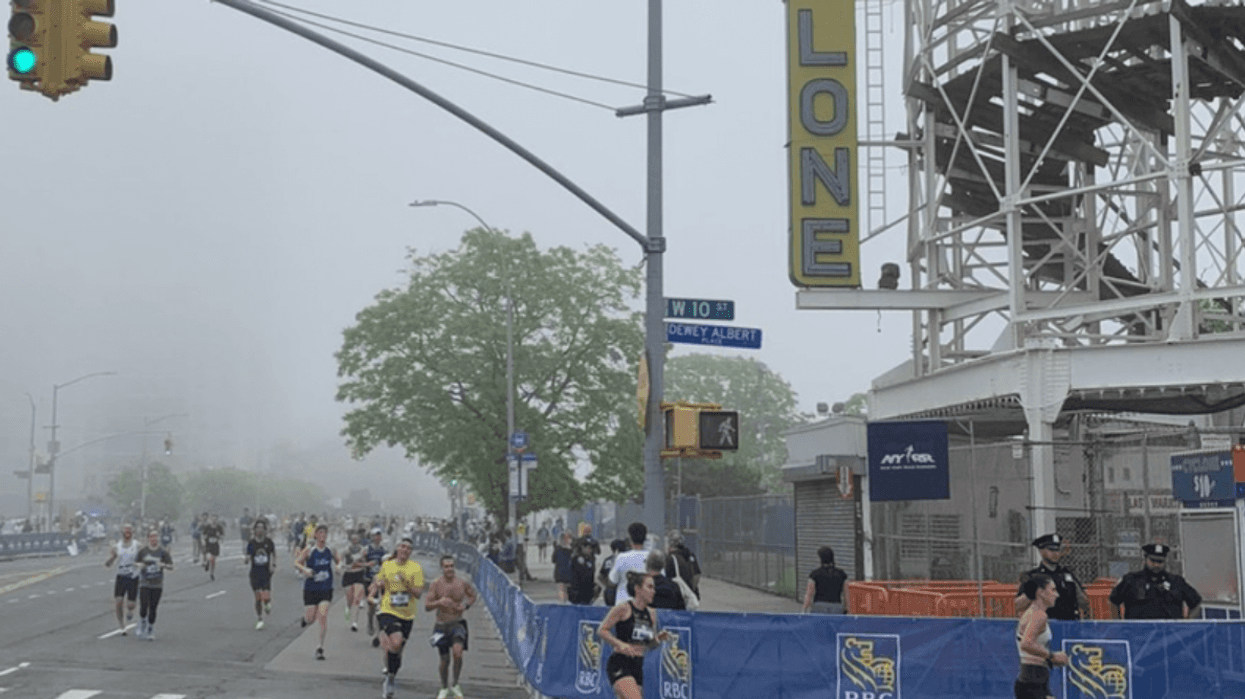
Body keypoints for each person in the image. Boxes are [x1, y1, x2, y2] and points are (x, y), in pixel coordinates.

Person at [598, 572, 673, 699]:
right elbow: (602, 630)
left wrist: (657, 639)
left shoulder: (652, 613)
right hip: (620, 662)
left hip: (637, 666)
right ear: (637, 589)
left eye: (654, 588)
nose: (653, 591)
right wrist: (620, 644)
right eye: (649, 587)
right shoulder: (624, 608)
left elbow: (648, 644)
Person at [370, 537, 425, 699]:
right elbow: (378, 580)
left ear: (410, 552)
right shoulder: (388, 565)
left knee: (398, 650)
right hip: (388, 610)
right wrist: (378, 584)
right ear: (397, 549)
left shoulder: (415, 568)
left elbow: (418, 593)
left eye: (408, 548)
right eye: (402, 546)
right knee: (396, 641)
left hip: (407, 614)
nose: (405, 550)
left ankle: (391, 675)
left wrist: (406, 584)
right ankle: (389, 678)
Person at [426, 554, 478, 699]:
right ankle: (444, 687)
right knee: (444, 660)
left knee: (458, 653)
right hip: (441, 625)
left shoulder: (461, 582)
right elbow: (427, 606)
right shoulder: (436, 584)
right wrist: (439, 602)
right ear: (442, 568)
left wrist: (466, 605)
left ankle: (455, 684)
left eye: (451, 566)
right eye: (446, 566)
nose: (449, 569)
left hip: (458, 623)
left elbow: (472, 596)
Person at [1109, 543, 1202, 619]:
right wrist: (1119, 626)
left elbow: (1196, 602)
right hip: (1139, 636)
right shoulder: (1131, 580)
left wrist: (1187, 627)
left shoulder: (1176, 582)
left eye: (1160, 562)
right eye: (1152, 561)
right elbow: (1113, 601)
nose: (1156, 565)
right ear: (1145, 560)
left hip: (1170, 636)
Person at [1014, 574, 1069, 699]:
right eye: (1053, 590)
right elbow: (1026, 643)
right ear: (1041, 592)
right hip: (1033, 682)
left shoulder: (1033, 613)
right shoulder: (1038, 615)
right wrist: (1053, 656)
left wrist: (1050, 659)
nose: (1057, 595)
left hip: (1033, 681)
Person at [1015, 533, 1089, 620]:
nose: (1055, 553)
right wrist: (1031, 592)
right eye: (1051, 550)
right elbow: (1017, 606)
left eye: (1057, 550)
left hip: (1070, 625)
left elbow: (1083, 601)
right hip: (1045, 626)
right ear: (1041, 551)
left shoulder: (1067, 574)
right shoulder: (1032, 576)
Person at [294, 523, 340, 660]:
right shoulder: (310, 550)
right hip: (311, 588)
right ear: (316, 535)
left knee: (323, 615)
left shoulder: (330, 549)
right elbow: (297, 562)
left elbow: (339, 560)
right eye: (320, 533)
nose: (323, 535)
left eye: (325, 533)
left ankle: (319, 647)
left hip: (325, 588)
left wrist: (339, 567)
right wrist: (305, 570)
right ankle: (304, 618)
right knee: (310, 618)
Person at [134, 528, 174, 640]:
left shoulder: (163, 552)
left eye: (156, 536)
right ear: (148, 539)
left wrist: (163, 565)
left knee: (153, 608)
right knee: (143, 607)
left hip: (157, 584)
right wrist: (140, 565)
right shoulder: (143, 551)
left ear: (158, 538)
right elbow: (136, 562)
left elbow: (171, 566)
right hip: (144, 583)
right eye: (151, 536)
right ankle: (142, 622)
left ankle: (150, 628)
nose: (154, 538)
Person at [103, 523, 141, 635]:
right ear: (123, 533)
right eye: (125, 531)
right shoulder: (117, 546)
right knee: (118, 601)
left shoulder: (137, 545)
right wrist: (109, 561)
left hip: (133, 576)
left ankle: (130, 610)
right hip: (121, 576)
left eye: (129, 531)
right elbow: (112, 560)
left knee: (130, 604)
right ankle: (122, 626)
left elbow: (144, 555)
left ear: (132, 533)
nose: (127, 533)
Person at [245, 518, 277, 630]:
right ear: (254, 530)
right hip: (254, 573)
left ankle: (267, 604)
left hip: (266, 573)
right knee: (258, 597)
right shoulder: (251, 543)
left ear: (265, 530)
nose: (259, 530)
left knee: (265, 595)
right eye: (257, 528)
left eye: (262, 528)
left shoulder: (268, 542)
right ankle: (259, 618)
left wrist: (273, 564)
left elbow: (273, 554)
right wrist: (246, 559)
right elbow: (248, 555)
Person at [609, 522, 650, 606]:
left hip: (623, 605)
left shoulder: (621, 557)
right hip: (645, 606)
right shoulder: (652, 557)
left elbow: (613, 581)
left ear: (630, 538)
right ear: (645, 538)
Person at [803, 546, 849, 614]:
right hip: (836, 607)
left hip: (819, 607)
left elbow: (809, 595)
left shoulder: (814, 574)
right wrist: (847, 609)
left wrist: (804, 610)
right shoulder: (842, 574)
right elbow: (847, 595)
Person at [363, 526, 388, 644]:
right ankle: (369, 621)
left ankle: (377, 635)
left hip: (380, 581)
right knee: (372, 606)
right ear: (372, 537)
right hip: (369, 579)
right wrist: (367, 564)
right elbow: (361, 563)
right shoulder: (367, 549)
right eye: (375, 535)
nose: (377, 538)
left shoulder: (384, 551)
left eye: (379, 535)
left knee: (380, 607)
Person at [341, 531, 369, 632]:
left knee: (356, 599)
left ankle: (354, 623)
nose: (355, 541)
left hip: (359, 574)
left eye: (356, 539)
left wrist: (365, 564)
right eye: (353, 539)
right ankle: (347, 612)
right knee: (349, 600)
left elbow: (366, 560)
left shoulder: (364, 549)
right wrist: (340, 566)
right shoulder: (345, 550)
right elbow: (340, 561)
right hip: (348, 574)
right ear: (350, 540)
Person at [665, 532, 701, 599]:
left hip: (677, 596)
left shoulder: (671, 558)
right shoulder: (690, 556)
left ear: (671, 543)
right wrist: (690, 589)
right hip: (691, 595)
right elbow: (697, 575)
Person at [567, 536, 600, 605]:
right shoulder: (577, 559)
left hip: (587, 592)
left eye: (591, 547)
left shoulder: (590, 559)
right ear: (582, 547)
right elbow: (582, 576)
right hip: (578, 592)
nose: (590, 550)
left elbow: (591, 575)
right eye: (588, 547)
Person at [600, 539, 626, 607]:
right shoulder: (625, 560)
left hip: (609, 591)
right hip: (621, 591)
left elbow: (600, 576)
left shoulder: (607, 560)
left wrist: (607, 584)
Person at [552, 531, 573, 603]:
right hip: (568, 572)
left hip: (559, 572)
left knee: (561, 590)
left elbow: (553, 560)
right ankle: (565, 603)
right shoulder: (570, 550)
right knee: (566, 590)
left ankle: (562, 604)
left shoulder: (557, 549)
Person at [200, 513, 222, 581]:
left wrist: (219, 536)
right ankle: (207, 563)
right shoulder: (208, 527)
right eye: (213, 519)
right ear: (211, 520)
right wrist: (204, 539)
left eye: (216, 520)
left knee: (213, 560)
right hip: (208, 544)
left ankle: (212, 573)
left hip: (215, 545)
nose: (214, 521)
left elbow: (222, 536)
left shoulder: (219, 527)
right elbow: (203, 535)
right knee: (210, 557)